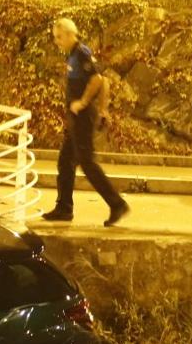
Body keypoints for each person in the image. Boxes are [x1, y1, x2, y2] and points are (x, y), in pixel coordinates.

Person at [41, 18, 130, 227]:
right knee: (65, 161)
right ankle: (64, 208)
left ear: (71, 34)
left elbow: (99, 79)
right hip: (75, 118)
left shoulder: (81, 52)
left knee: (87, 163)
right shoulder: (74, 54)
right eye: (55, 37)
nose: (57, 41)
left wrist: (83, 102)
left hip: (82, 117)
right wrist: (102, 109)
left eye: (59, 37)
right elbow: (102, 79)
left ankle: (117, 204)